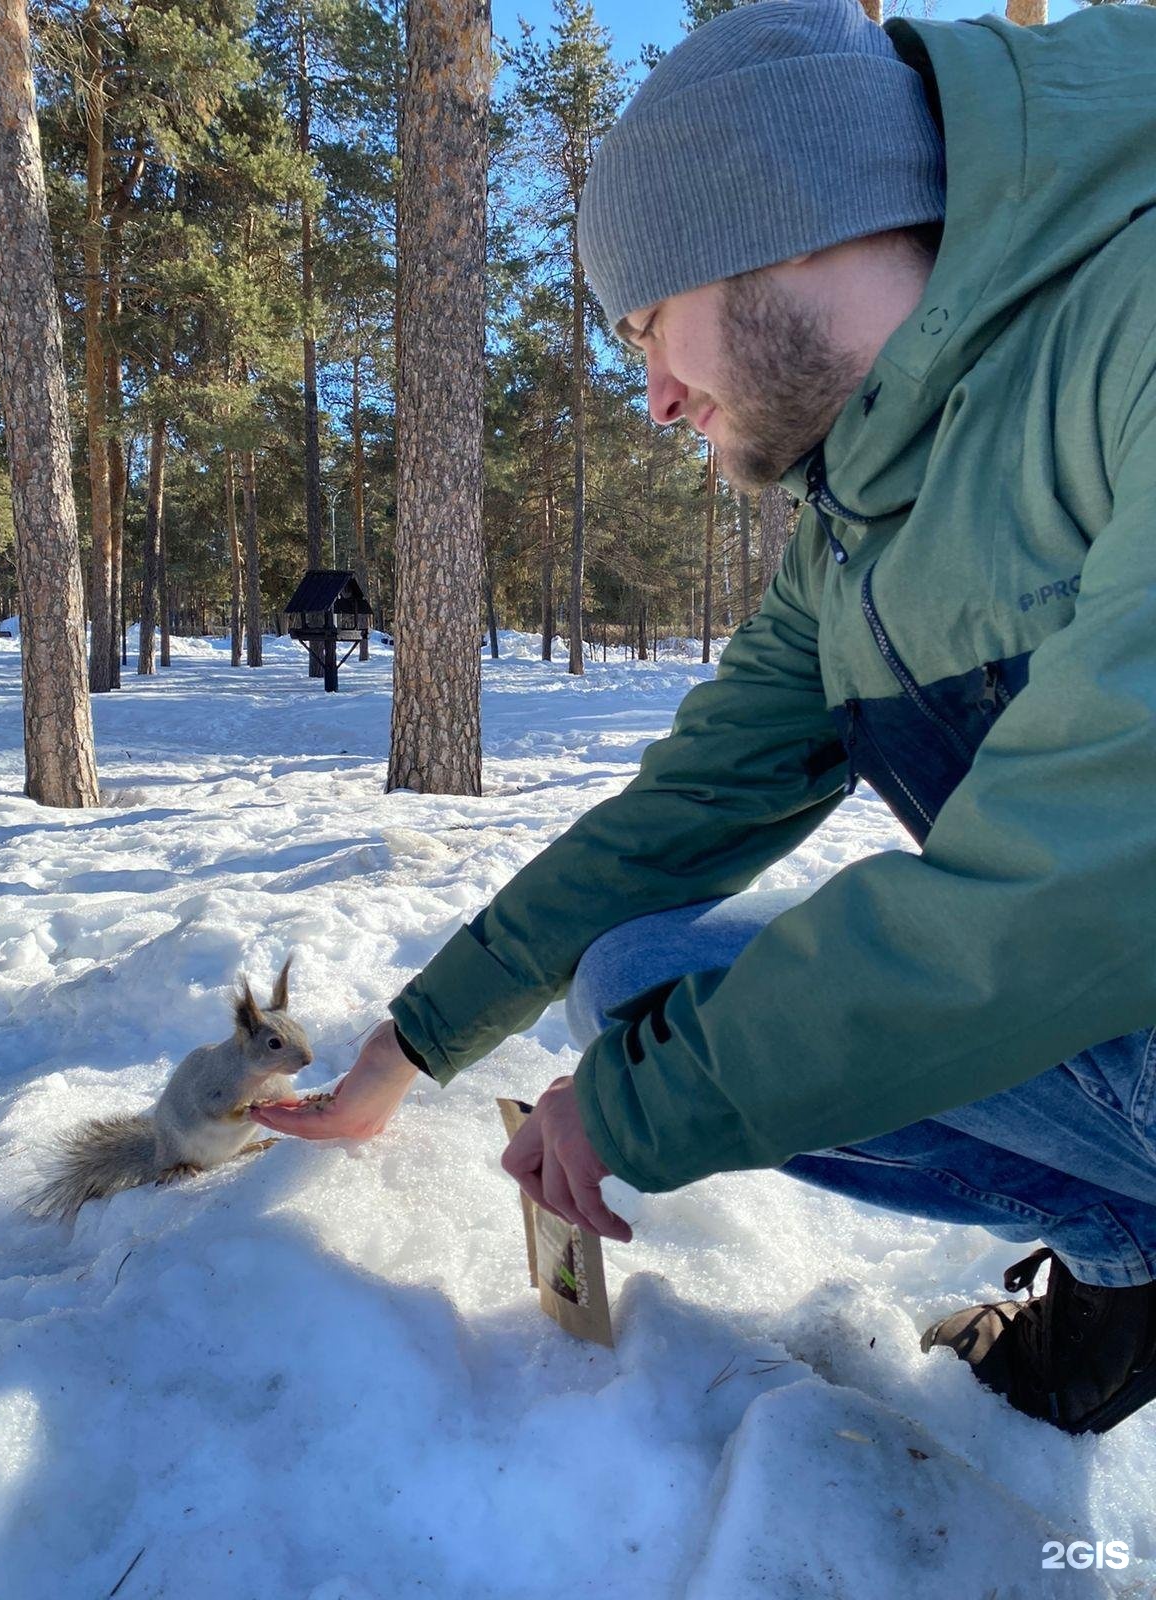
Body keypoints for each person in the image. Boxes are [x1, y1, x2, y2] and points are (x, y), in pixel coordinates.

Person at [253, 0, 1156, 1434]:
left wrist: (637, 1113)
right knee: (642, 978)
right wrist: (412, 1048)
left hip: (1112, 928)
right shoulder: (861, 521)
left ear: (785, 219)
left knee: (668, 1059)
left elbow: (1092, 876)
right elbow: (681, 816)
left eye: (649, 324)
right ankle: (1137, 1262)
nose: (659, 397)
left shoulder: (1134, 314)